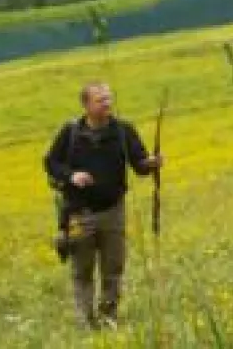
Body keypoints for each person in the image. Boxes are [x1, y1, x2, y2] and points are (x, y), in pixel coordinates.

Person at [42, 82, 163, 330]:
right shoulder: (70, 132)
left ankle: (109, 318)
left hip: (113, 212)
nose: (107, 103)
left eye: (109, 98)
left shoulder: (123, 130)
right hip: (78, 214)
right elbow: (50, 162)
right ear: (86, 105)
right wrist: (71, 176)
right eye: (101, 100)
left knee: (113, 268)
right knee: (82, 270)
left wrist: (152, 163)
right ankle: (86, 322)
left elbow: (139, 165)